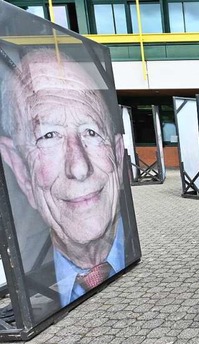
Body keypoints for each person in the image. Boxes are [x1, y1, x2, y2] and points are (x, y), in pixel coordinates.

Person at [0, 48, 137, 307]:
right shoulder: (33, 274)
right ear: (19, 169)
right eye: (48, 136)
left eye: (91, 132)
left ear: (118, 156)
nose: (79, 167)